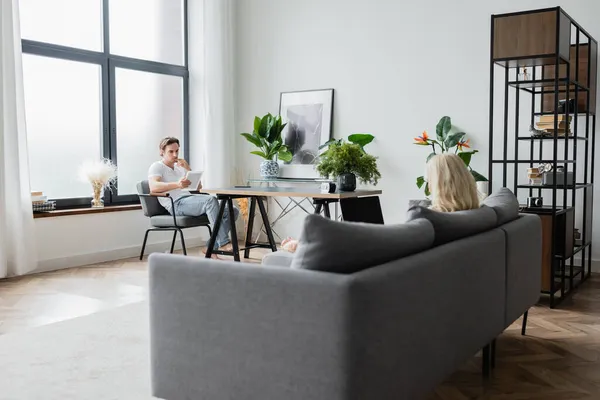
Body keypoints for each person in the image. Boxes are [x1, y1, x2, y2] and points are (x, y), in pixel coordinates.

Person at [278, 153, 480, 254]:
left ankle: (302, 245)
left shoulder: (429, 221)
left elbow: (374, 248)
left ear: (439, 183)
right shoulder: (472, 216)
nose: (427, 183)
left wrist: (302, 246)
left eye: (429, 179)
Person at [148, 137, 239, 257]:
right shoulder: (157, 166)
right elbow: (153, 187)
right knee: (210, 201)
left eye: (177, 151)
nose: (175, 155)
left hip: (189, 200)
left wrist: (187, 169)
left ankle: (210, 247)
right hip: (176, 204)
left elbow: (198, 187)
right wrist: (177, 184)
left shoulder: (179, 168)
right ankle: (223, 242)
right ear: (162, 151)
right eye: (171, 151)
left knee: (233, 210)